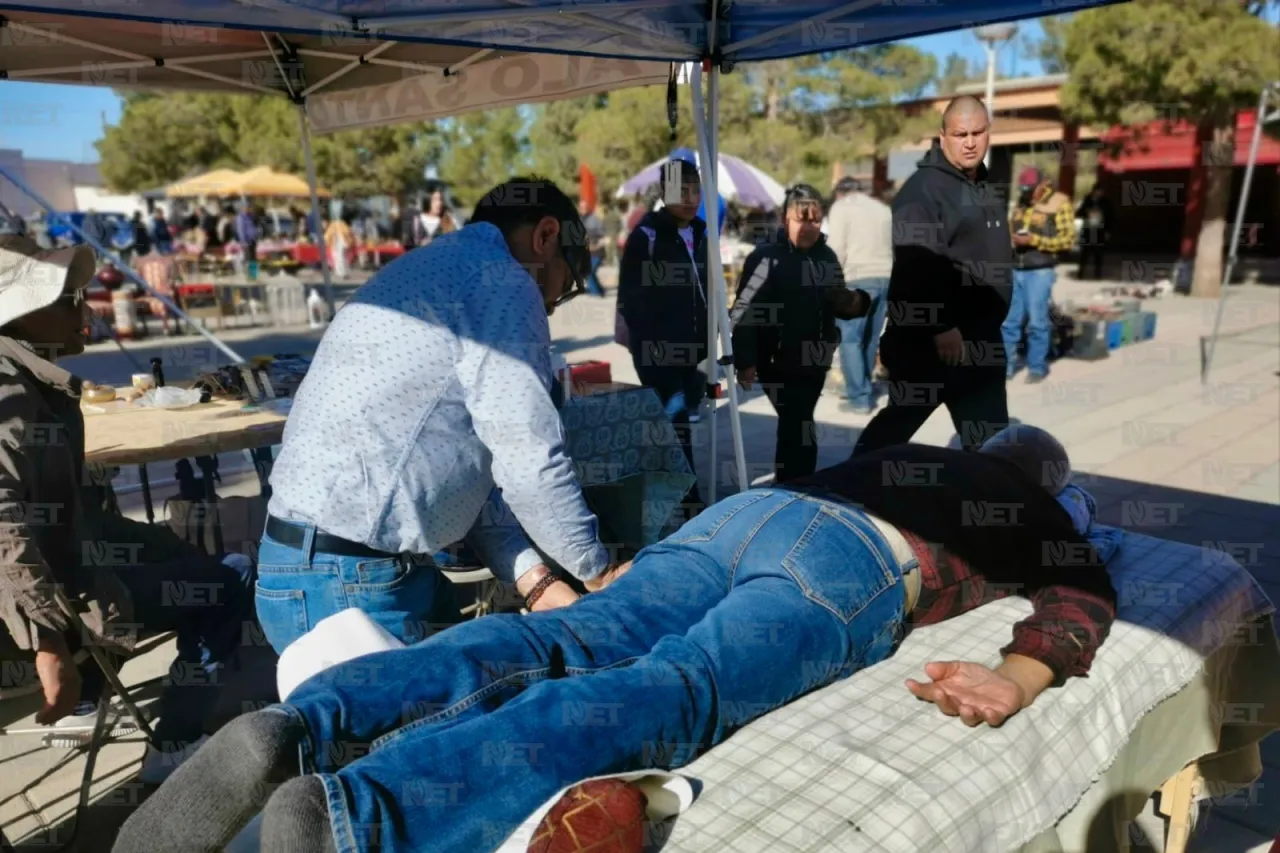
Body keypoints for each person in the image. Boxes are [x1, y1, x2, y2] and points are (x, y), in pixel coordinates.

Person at [113, 425, 1118, 853]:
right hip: (848, 560)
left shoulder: (906, 453)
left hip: (739, 518)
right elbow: (1081, 593)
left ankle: (301, 723)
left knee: (567, 639)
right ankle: (360, 817)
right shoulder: (1015, 497)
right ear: (1035, 476)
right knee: (673, 689)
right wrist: (1020, 672)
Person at [253, 176, 619, 656]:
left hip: (306, 566)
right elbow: (528, 459)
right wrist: (601, 574)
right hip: (347, 583)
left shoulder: (436, 267)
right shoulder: (504, 279)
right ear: (546, 236)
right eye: (563, 286)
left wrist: (536, 581)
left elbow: (467, 476)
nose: (550, 307)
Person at [0, 236, 255, 781]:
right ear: (22, 313)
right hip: (51, 598)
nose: (85, 311)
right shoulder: (10, 392)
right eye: (68, 299)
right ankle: (173, 746)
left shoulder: (29, 374)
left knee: (172, 548)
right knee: (231, 578)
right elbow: (4, 526)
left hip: (73, 554)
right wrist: (47, 642)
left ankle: (95, 687)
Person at [852, 95, 1013, 456]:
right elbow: (916, 263)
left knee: (991, 446)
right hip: (934, 345)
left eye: (977, 132)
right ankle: (843, 494)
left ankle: (988, 509)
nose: (970, 142)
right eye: (960, 134)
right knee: (892, 434)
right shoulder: (922, 191)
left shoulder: (983, 186)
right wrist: (940, 325)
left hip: (982, 343)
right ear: (943, 136)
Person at [730, 184, 869, 482]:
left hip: (816, 360)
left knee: (796, 424)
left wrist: (856, 302)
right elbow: (743, 310)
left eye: (815, 219)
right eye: (801, 219)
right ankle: (799, 486)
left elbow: (838, 301)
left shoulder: (827, 257)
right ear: (785, 220)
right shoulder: (766, 257)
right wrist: (745, 361)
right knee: (799, 424)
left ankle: (791, 485)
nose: (809, 226)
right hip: (777, 361)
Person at [617, 158, 709, 516]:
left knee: (676, 426)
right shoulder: (647, 235)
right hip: (659, 352)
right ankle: (691, 501)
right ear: (664, 193)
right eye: (680, 190)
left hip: (695, 350)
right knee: (677, 424)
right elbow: (631, 299)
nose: (689, 198)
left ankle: (663, 486)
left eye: (695, 190)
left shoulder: (702, 232)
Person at [825, 175, 894, 414]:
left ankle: (859, 397)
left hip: (856, 278)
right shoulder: (883, 210)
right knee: (870, 338)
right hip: (885, 277)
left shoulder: (841, 208)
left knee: (850, 339)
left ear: (840, 193)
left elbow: (836, 250)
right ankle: (863, 386)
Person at [1003, 167, 1076, 384]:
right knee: (1009, 322)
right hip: (1016, 268)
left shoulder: (1059, 203)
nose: (1026, 194)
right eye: (1023, 189)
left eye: (1030, 189)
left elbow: (1067, 240)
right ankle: (1004, 367)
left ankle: (1037, 367)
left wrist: (1035, 241)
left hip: (1040, 270)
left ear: (1043, 184)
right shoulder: (1021, 203)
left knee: (1037, 321)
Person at [1076, 184, 1112, 282]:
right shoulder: (1087, 200)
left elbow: (1110, 217)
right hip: (1088, 229)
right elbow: (1078, 213)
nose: (1099, 194)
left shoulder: (1105, 202)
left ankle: (1097, 274)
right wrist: (1087, 212)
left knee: (1098, 253)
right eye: (1097, 191)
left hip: (1099, 230)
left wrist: (1108, 231)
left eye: (1100, 192)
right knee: (1085, 253)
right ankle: (1081, 273)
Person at [578, 197, 607, 297]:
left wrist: (596, 245)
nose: (582, 209)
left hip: (597, 251)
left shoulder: (594, 220)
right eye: (581, 207)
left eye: (584, 207)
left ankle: (596, 292)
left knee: (590, 272)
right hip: (587, 252)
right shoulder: (581, 219)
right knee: (589, 272)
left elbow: (603, 236)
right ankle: (600, 290)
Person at [323, 215, 353, 280]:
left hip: (337, 244)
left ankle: (341, 273)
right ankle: (346, 272)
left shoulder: (333, 225)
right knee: (344, 258)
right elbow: (348, 232)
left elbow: (327, 236)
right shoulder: (342, 224)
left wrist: (327, 242)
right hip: (345, 243)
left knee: (339, 258)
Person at [235, 203, 259, 270]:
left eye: (248, 208)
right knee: (248, 258)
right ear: (242, 209)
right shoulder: (241, 217)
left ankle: (253, 274)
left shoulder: (250, 216)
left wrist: (256, 236)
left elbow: (253, 226)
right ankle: (248, 275)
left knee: (253, 258)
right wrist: (244, 241)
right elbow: (241, 230)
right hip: (246, 241)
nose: (248, 209)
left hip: (253, 239)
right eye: (246, 208)